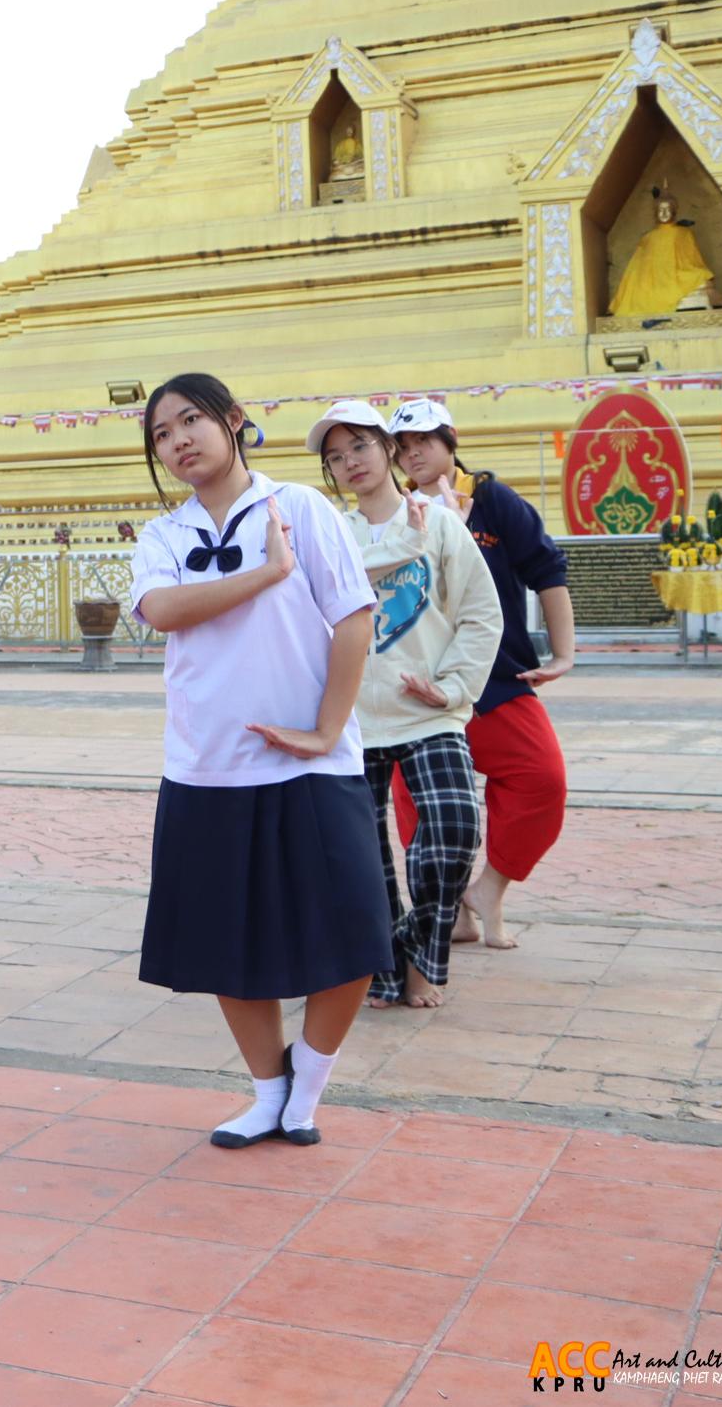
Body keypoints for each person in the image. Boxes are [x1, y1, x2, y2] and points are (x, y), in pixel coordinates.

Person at [128, 373, 389, 1149]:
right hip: (207, 767)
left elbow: (353, 619)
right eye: (161, 432)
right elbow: (162, 611)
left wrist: (323, 729)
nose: (178, 439)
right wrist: (267, 575)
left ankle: (308, 1083)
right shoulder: (163, 537)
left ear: (234, 422)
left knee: (354, 936)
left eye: (192, 420)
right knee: (225, 947)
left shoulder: (301, 507)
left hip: (312, 766)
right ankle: (266, 1092)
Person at [311, 402, 503, 1012]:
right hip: (353, 721)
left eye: (360, 447)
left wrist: (450, 687)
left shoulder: (440, 526)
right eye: (336, 457)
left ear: (389, 450)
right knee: (362, 858)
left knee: (451, 833)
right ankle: (388, 970)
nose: (350, 464)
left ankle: (423, 955)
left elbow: (481, 612)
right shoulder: (330, 535)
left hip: (429, 712)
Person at [386, 399, 576, 950]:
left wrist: (562, 654)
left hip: (495, 681)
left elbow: (546, 569)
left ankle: (489, 889)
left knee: (542, 782)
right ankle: (450, 911)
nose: (412, 453)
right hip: (416, 688)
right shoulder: (392, 510)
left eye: (423, 439)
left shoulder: (491, 499)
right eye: (401, 446)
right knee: (419, 801)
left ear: (450, 439)